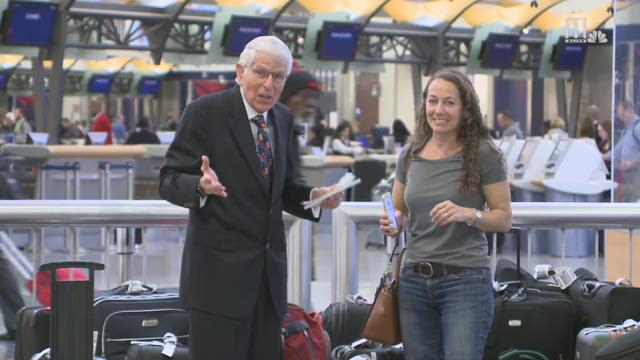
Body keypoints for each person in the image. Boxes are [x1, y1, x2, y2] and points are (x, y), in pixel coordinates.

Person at [159, 36, 343, 360]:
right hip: (218, 285)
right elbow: (169, 180)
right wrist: (200, 186)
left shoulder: (282, 119)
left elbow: (285, 186)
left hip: (268, 286)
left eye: (278, 76)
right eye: (260, 73)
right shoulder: (205, 113)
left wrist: (315, 196)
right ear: (240, 72)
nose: (268, 84)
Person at [379, 69, 512, 360]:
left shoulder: (482, 154)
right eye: (433, 101)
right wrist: (393, 223)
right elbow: (399, 213)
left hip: (465, 281)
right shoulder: (410, 154)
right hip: (414, 279)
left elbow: (503, 218)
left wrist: (468, 214)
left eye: (449, 102)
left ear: (465, 110)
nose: (439, 110)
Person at [612, 99, 640, 202]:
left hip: (636, 176)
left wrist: (630, 163)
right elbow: (616, 151)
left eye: (623, 115)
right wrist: (601, 156)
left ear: (631, 110)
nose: (621, 118)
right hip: (627, 177)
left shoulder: (637, 127)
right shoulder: (626, 130)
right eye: (619, 115)